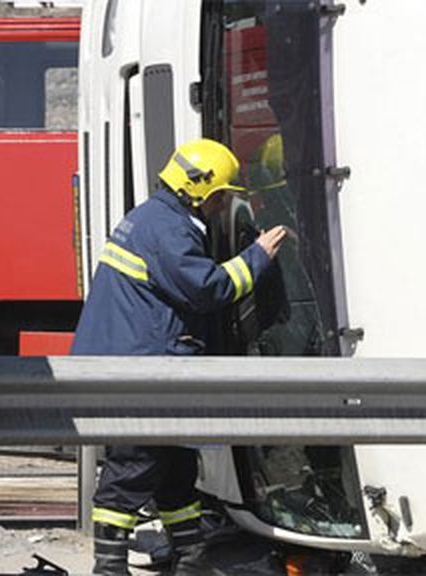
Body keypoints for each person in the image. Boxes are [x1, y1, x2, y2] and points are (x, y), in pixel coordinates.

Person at [71, 138, 288, 574]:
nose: (225, 203)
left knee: (175, 469)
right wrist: (258, 258)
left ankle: (191, 558)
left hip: (139, 363)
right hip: (139, 372)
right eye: (223, 196)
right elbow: (209, 289)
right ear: (202, 192)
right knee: (134, 468)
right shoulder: (169, 230)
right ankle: (108, 566)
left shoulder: (156, 217)